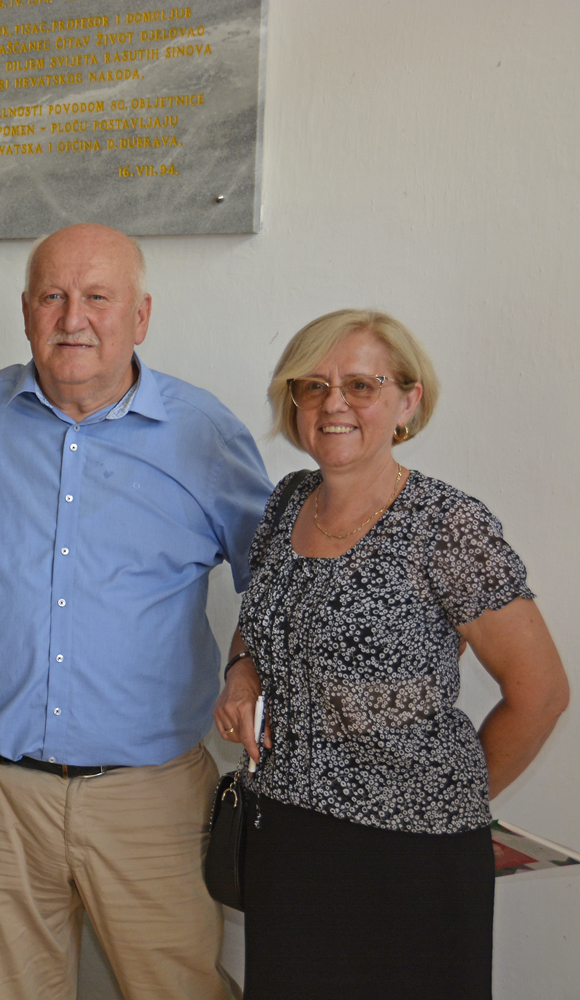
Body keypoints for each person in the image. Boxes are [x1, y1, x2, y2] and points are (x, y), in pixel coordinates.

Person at [0, 223, 272, 999]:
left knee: (178, 990)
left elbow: (276, 580)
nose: (73, 318)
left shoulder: (204, 434)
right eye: (53, 296)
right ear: (26, 312)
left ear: (140, 317)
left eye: (97, 298)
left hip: (146, 797)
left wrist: (245, 666)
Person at [212, 310, 568, 999]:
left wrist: (443, 801)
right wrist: (241, 672)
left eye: (361, 385)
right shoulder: (287, 503)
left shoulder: (448, 527)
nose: (333, 404)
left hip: (412, 858)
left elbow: (543, 693)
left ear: (408, 402)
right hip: (286, 841)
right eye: (313, 386)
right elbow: (259, 626)